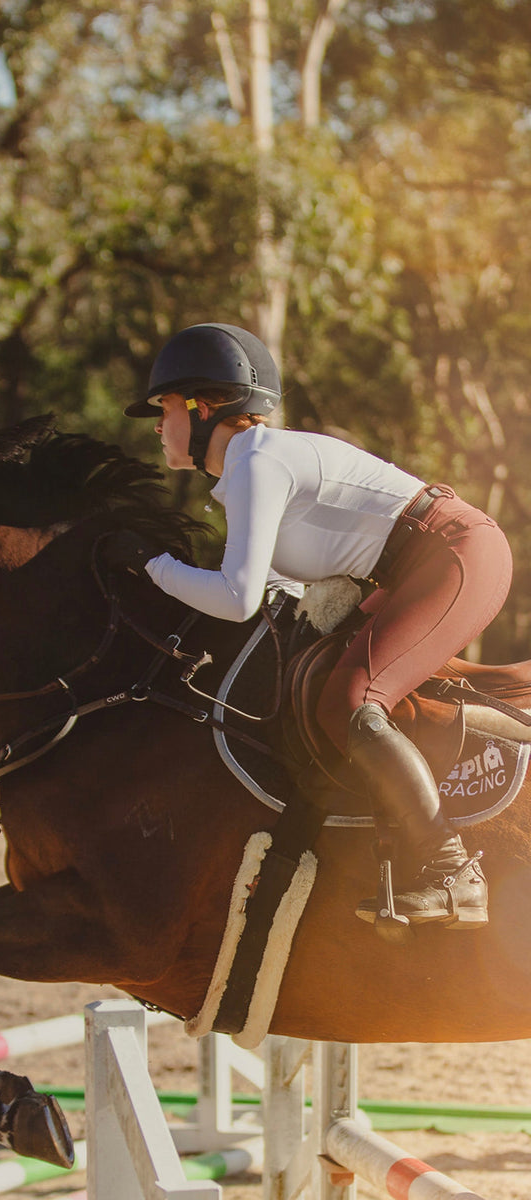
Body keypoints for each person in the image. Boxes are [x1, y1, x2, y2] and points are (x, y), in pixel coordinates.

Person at [109, 322, 513, 930]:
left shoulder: (254, 461)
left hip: (452, 552)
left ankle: (449, 869)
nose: (158, 427)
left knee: (350, 701)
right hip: (417, 564)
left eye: (163, 409)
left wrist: (149, 565)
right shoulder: (249, 468)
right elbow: (275, 594)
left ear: (204, 406)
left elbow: (238, 597)